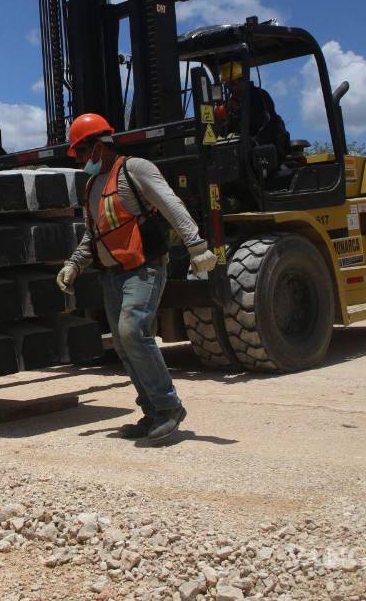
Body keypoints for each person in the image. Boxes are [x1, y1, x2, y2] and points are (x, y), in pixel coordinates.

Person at [56, 113, 218, 443]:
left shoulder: (135, 169)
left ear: (99, 146)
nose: (82, 161)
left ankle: (169, 407)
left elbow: (170, 204)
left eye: (84, 153)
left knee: (133, 331)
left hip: (144, 267)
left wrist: (197, 245)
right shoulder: (92, 185)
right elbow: (95, 233)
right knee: (123, 344)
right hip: (111, 275)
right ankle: (151, 411)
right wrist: (74, 264)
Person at [220, 61, 290, 157]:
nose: (230, 90)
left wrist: (235, 114)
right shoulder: (231, 103)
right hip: (245, 152)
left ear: (243, 80)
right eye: (227, 87)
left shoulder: (258, 96)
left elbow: (254, 124)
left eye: (233, 85)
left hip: (267, 151)